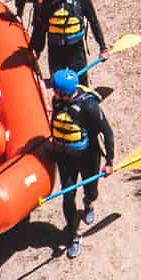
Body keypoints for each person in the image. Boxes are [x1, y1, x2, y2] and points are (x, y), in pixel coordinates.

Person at [46, 68, 114, 259]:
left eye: (56, 90)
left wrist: (109, 161)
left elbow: (107, 133)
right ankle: (73, 236)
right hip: (65, 157)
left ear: (65, 92)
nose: (54, 93)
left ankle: (89, 203)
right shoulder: (58, 101)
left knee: (91, 191)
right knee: (68, 197)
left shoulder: (89, 107)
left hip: (88, 157)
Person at [29, 0, 106, 80]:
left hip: (76, 48)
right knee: (58, 81)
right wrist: (35, 48)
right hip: (55, 48)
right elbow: (40, 27)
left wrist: (103, 47)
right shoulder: (48, 1)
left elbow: (94, 22)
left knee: (80, 81)